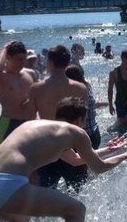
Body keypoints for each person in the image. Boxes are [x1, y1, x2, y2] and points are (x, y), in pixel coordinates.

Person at [29, 45, 89, 190]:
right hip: (71, 144)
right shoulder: (80, 88)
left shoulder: (36, 89)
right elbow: (82, 123)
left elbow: (30, 123)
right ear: (68, 63)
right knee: (78, 193)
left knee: (45, 195)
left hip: (47, 147)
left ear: (49, 62)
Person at [0, 41, 38, 148]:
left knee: (31, 154)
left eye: (24, 59)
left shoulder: (31, 73)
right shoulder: (2, 76)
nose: (23, 62)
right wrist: (5, 47)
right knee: (1, 153)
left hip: (30, 121)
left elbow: (38, 94)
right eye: (19, 59)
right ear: (8, 57)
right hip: (9, 121)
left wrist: (30, 102)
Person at [66, 65, 106, 149]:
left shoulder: (75, 93)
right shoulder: (87, 87)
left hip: (84, 136)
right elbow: (87, 105)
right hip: (95, 133)